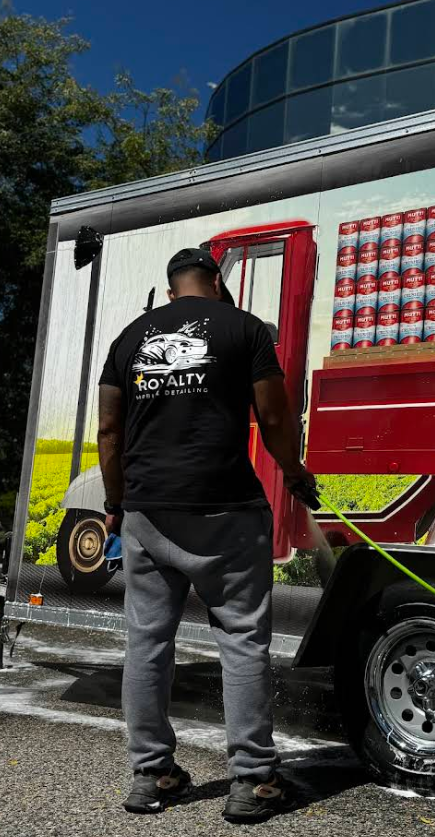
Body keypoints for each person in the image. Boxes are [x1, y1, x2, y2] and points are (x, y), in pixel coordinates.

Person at [97, 247, 316, 823]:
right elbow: (273, 418)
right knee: (242, 641)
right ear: (217, 283)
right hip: (227, 512)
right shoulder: (245, 329)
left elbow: (108, 430)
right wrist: (293, 473)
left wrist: (117, 503)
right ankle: (253, 781)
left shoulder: (130, 338)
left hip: (147, 512)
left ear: (171, 292)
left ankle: (151, 775)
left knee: (147, 643)